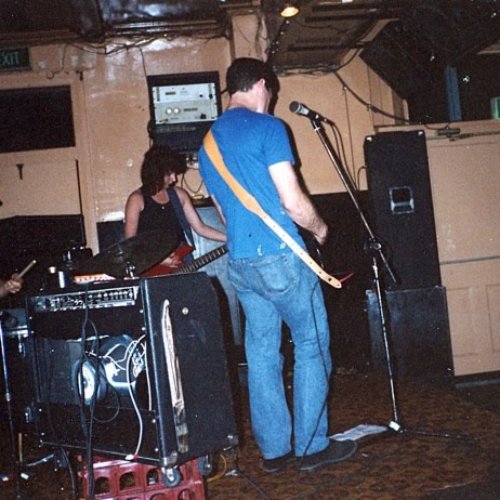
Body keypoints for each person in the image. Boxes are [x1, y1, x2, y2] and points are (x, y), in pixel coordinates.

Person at [198, 57, 357, 473]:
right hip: (281, 257)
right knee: (311, 344)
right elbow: (293, 202)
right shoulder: (269, 128)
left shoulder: (206, 145)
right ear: (262, 85)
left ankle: (274, 452)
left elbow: (225, 214)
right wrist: (321, 229)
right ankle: (312, 446)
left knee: (262, 354)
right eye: (270, 92)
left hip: (241, 263)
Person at [124, 144, 226, 272]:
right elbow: (130, 245)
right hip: (151, 270)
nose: (174, 179)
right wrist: (159, 260)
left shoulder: (179, 195)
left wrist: (230, 239)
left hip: (182, 264)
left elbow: (201, 228)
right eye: (169, 174)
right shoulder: (136, 199)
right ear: (156, 173)